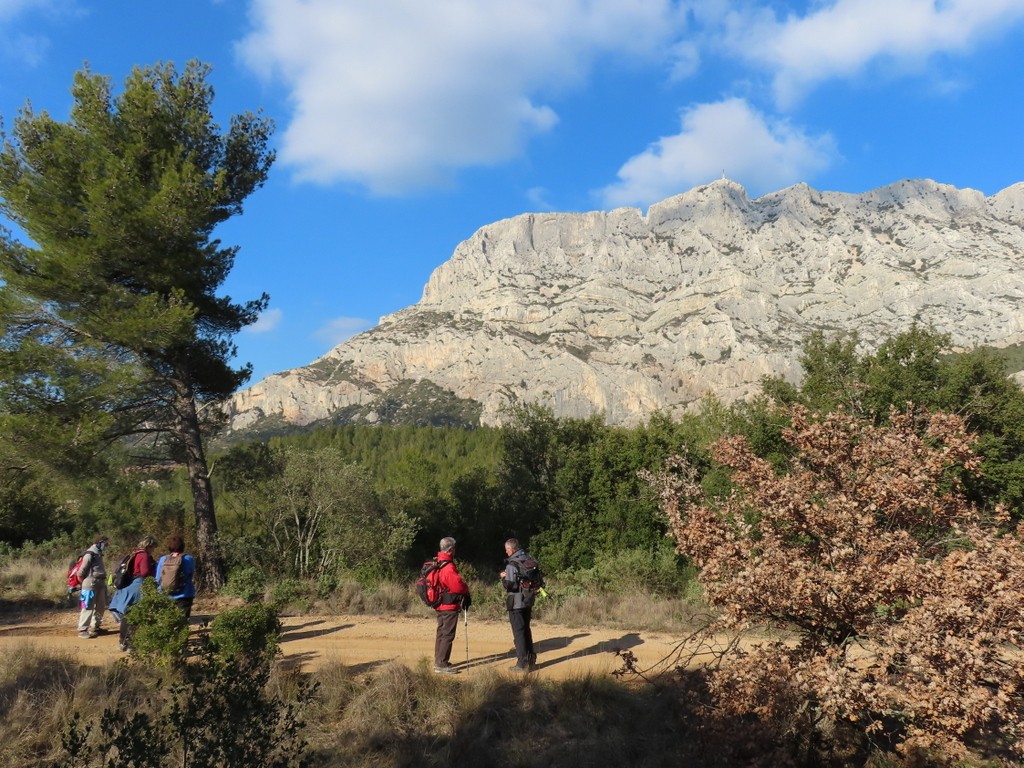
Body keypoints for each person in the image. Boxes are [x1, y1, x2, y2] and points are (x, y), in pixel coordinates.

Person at [108, 535, 158, 652]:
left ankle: (122, 643)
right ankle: (131, 644)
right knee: (136, 615)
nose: (153, 550)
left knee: (127, 616)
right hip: (138, 585)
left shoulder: (134, 553)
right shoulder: (144, 555)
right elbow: (145, 572)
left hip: (129, 585)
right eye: (153, 547)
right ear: (149, 546)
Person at [432, 536, 471, 674]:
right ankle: (441, 665)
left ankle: (439, 660)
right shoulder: (448, 566)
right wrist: (466, 589)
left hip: (440, 604)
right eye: (454, 548)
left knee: (441, 633)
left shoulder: (438, 561)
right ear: (450, 550)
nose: (455, 550)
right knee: (447, 634)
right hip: (449, 606)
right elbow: (457, 586)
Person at [500, 537, 537, 672]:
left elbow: (511, 586)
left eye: (507, 549)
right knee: (526, 630)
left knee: (519, 633)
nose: (506, 552)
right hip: (528, 601)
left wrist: (503, 577)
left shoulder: (511, 565)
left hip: (516, 603)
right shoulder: (527, 559)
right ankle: (531, 660)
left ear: (512, 549)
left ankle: (522, 664)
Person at [76, 535, 109, 639]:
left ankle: (95, 627)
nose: (107, 546)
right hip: (90, 584)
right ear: (100, 543)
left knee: (101, 607)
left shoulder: (98, 554)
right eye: (106, 543)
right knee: (87, 607)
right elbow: (80, 572)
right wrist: (84, 583)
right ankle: (82, 629)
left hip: (100, 583)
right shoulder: (89, 554)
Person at [156, 534, 197, 618]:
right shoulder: (189, 558)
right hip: (185, 594)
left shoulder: (163, 559)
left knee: (168, 621)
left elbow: (158, 577)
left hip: (166, 594)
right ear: (182, 546)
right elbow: (191, 574)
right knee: (182, 622)